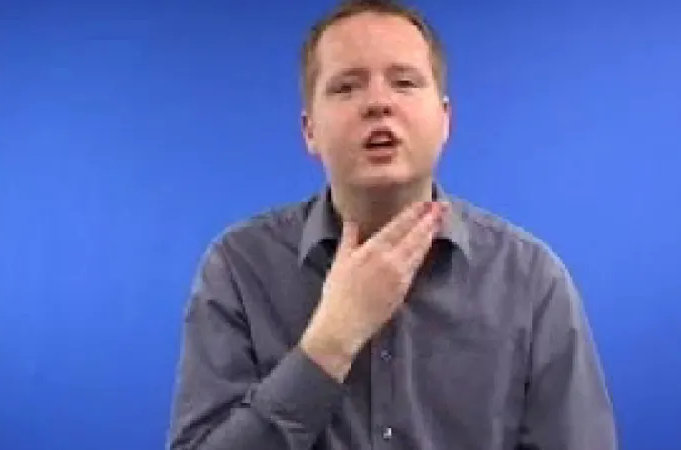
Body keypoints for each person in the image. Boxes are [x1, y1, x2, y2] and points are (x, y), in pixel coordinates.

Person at [167, 1, 618, 449]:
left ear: (445, 120)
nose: (379, 103)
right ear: (309, 130)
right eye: (346, 87)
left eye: (404, 83)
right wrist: (329, 344)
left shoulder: (531, 281)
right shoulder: (240, 269)